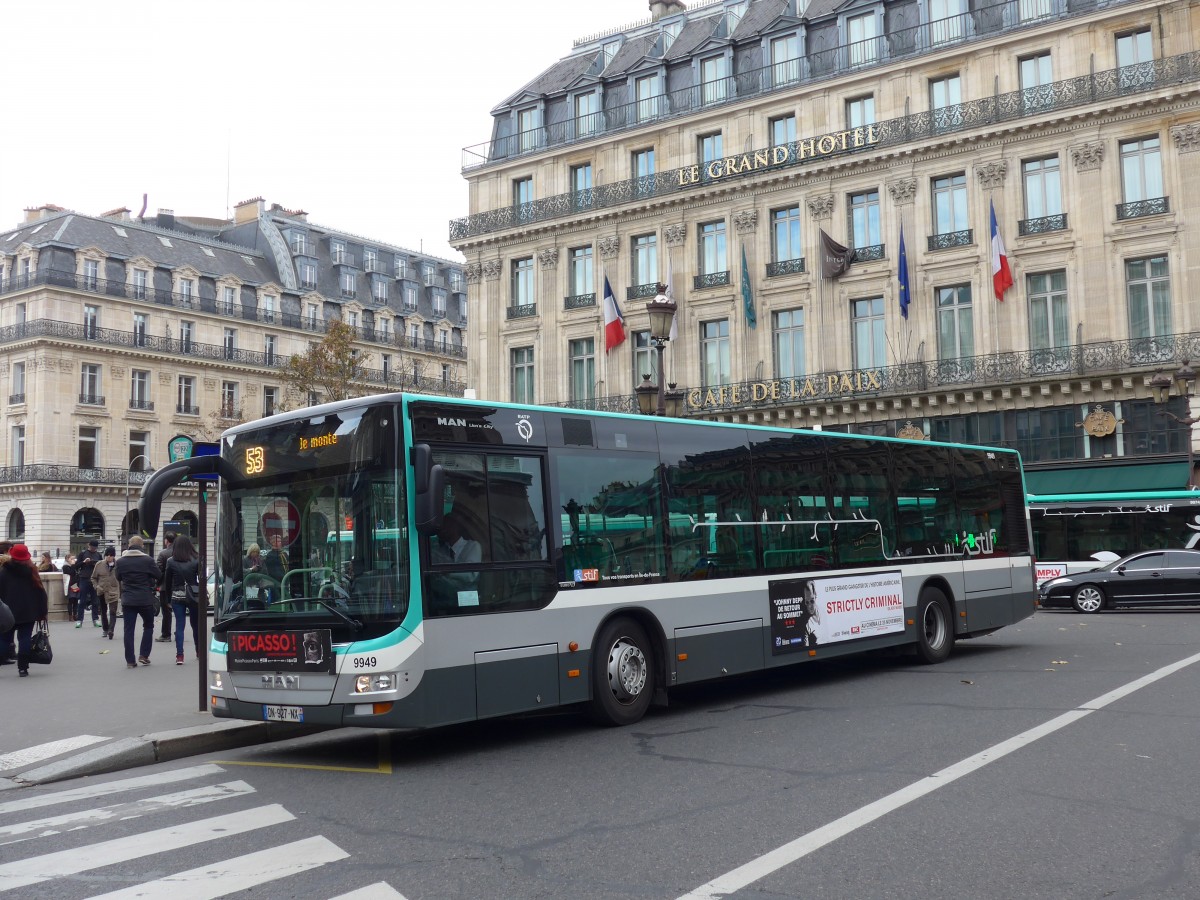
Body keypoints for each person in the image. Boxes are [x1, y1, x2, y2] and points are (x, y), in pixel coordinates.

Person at [0, 544, 49, 677]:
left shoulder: (3, 572)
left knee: (4, 639)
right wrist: (42, 612)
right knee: (25, 638)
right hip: (28, 612)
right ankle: (23, 668)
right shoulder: (31, 572)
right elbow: (41, 594)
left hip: (7, 613)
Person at [115, 535, 161, 668]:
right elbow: (158, 575)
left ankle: (130, 660)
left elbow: (118, 577)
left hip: (128, 599)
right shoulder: (148, 560)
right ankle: (144, 655)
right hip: (145, 598)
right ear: (142, 546)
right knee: (148, 626)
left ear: (129, 545)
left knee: (128, 630)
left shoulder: (121, 561)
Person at [430, 512, 482, 611]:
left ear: (455, 527)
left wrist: (447, 573)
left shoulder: (473, 546)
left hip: (468, 602)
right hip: (446, 603)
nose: (441, 530)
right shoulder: (440, 551)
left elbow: (471, 576)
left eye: (445, 526)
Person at [164, 534, 201, 665]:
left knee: (180, 626)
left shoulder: (171, 561)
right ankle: (198, 651)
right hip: (193, 596)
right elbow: (202, 579)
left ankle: (180, 655)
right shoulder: (196, 559)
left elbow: (167, 582)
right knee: (196, 625)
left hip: (177, 596)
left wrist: (168, 599)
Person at [74, 539, 104, 630]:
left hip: (95, 579)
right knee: (82, 600)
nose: (93, 549)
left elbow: (102, 566)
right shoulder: (82, 554)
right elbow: (76, 566)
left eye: (95, 548)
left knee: (95, 600)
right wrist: (84, 562)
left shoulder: (98, 555)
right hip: (84, 578)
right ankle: (79, 620)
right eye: (92, 547)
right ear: (89, 545)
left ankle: (95, 619)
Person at [91, 546, 119, 640]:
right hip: (102, 590)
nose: (108, 557)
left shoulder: (118, 565)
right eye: (107, 555)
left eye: (110, 556)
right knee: (103, 611)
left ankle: (111, 630)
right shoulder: (99, 564)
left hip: (113, 590)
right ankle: (105, 629)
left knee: (112, 611)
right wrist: (96, 586)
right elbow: (93, 578)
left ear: (114, 556)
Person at [154, 531, 175, 642]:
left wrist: (157, 583)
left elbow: (159, 571)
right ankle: (179, 631)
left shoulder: (163, 554)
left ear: (166, 540)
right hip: (178, 586)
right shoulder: (181, 553)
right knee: (180, 611)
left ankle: (166, 634)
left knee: (166, 611)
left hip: (165, 586)